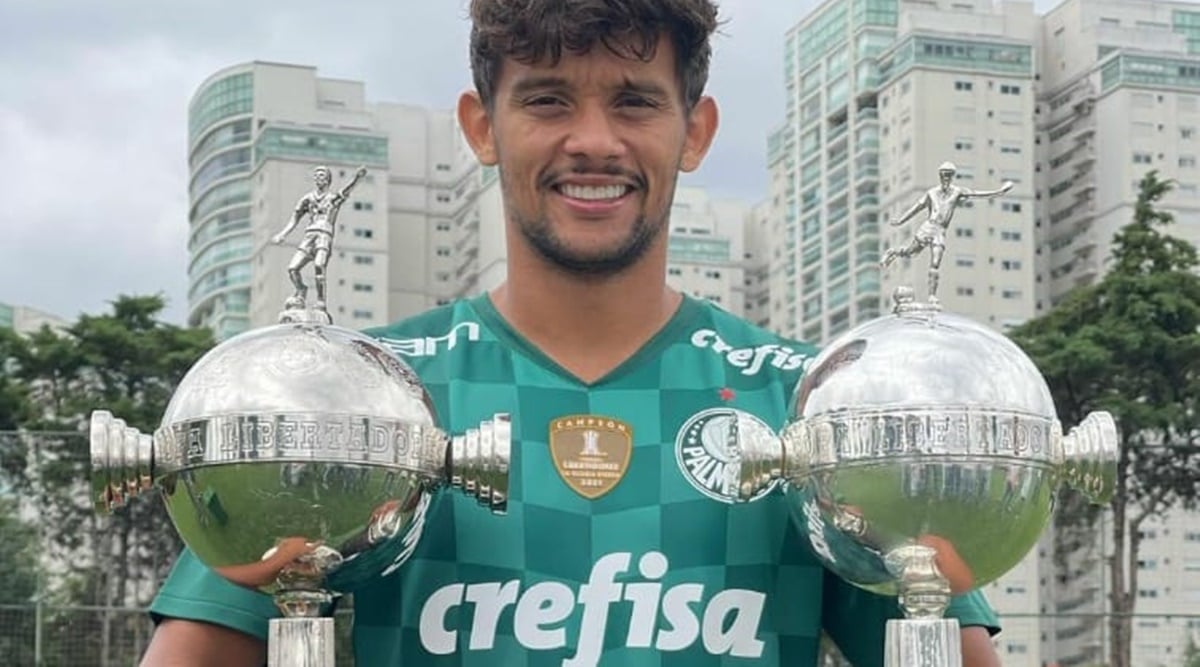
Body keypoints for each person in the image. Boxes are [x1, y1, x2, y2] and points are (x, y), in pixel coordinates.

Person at [141, 2, 1004, 665]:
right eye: (548, 99)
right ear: (482, 126)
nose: (593, 141)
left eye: (634, 102)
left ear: (694, 132)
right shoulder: (348, 396)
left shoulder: (809, 405)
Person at [880, 162, 1013, 304]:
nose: (946, 178)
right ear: (940, 175)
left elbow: (977, 194)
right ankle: (892, 252)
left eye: (948, 175)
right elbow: (916, 208)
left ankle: (932, 295)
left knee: (935, 263)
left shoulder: (957, 192)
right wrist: (900, 220)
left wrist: (999, 192)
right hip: (928, 227)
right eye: (943, 174)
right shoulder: (931, 193)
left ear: (952, 176)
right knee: (911, 252)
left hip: (940, 231)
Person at [271, 165, 368, 312]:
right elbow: (295, 218)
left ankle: (321, 300)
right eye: (316, 176)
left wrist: (357, 178)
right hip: (309, 235)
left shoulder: (332, 199)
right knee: (292, 268)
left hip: (324, 235)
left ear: (328, 179)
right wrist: (283, 234)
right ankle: (301, 291)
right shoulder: (308, 199)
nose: (318, 178)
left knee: (319, 265)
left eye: (321, 175)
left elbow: (346, 191)